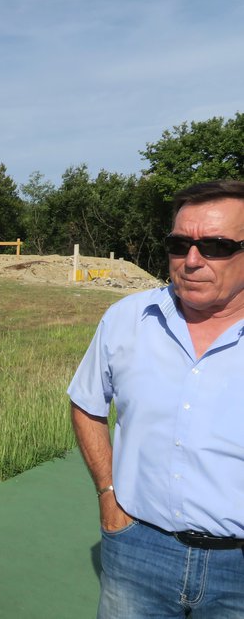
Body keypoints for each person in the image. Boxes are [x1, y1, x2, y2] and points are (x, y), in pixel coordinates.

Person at [69, 179, 244, 618]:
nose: (192, 260)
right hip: (137, 551)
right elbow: (87, 405)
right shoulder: (126, 319)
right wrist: (109, 498)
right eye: (179, 243)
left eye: (216, 246)